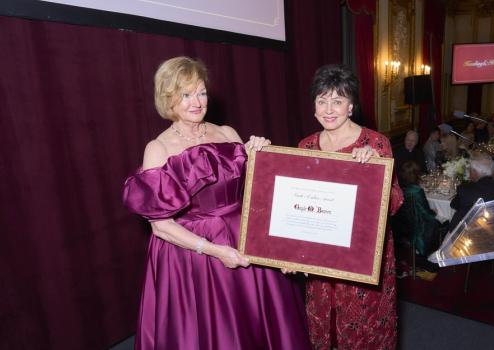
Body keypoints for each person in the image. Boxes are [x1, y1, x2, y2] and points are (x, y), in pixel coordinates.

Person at [122, 57, 311, 350]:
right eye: (186, 95)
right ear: (168, 99)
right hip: (194, 257)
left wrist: (263, 154)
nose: (197, 102)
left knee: (260, 326)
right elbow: (161, 227)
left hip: (244, 239)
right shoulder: (158, 149)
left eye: (201, 92)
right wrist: (213, 250)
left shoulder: (227, 133)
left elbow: (256, 193)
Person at [298, 64, 403, 350]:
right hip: (322, 258)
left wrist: (373, 172)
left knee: (365, 329)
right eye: (322, 101)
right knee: (324, 323)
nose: (329, 109)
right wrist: (296, 252)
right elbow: (298, 208)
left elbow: (394, 202)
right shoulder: (305, 147)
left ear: (351, 106)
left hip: (362, 259)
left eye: (338, 101)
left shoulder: (375, 143)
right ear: (314, 107)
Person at [449, 154, 494, 231]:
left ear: (474, 172)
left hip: (470, 232)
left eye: (470, 170)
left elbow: (453, 204)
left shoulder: (465, 189)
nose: (469, 173)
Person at [393, 161, 439, 265]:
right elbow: (426, 213)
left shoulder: (397, 188)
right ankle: (426, 256)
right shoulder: (417, 191)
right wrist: (434, 213)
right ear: (416, 175)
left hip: (398, 226)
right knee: (440, 221)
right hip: (413, 229)